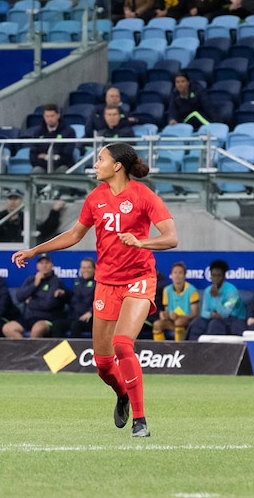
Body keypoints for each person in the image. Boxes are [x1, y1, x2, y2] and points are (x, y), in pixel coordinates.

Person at [12, 142, 178, 438]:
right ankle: (123, 394)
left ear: (117, 166)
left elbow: (171, 238)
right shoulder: (95, 198)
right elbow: (75, 235)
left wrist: (142, 243)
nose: (95, 164)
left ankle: (140, 421)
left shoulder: (144, 195)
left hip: (140, 278)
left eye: (100, 159)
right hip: (107, 283)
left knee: (123, 345)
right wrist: (34, 251)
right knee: (102, 364)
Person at [2, 253, 68, 339]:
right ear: (37, 266)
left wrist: (31, 301)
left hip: (47, 318)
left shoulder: (56, 281)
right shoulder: (32, 279)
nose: (44, 266)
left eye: (47, 263)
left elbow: (48, 304)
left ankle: (31, 351)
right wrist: (35, 284)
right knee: (8, 328)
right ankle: (25, 351)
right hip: (29, 317)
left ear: (51, 265)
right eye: (41, 263)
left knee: (37, 329)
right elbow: (19, 297)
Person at [185, 259, 247, 340]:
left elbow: (225, 314)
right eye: (213, 276)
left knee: (215, 324)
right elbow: (203, 312)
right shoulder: (208, 290)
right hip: (213, 318)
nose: (216, 279)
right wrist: (211, 315)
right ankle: (192, 349)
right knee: (197, 323)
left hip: (234, 320)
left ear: (224, 276)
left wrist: (216, 297)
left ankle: (211, 350)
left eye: (219, 276)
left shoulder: (233, 292)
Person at [152, 261, 198, 341]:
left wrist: (180, 316)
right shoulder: (166, 290)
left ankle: (179, 348)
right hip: (172, 321)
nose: (177, 275)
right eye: (175, 273)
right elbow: (167, 310)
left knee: (179, 322)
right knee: (157, 324)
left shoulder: (192, 290)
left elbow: (195, 314)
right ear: (171, 275)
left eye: (180, 273)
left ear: (184, 275)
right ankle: (160, 349)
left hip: (187, 322)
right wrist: (164, 315)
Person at [27, 103, 77, 173]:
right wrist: (54, 157)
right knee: (36, 171)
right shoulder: (37, 133)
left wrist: (45, 157)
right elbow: (33, 157)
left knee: (63, 171)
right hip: (43, 167)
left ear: (58, 116)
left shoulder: (69, 132)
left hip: (61, 166)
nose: (49, 119)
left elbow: (67, 156)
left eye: (52, 116)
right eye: (47, 116)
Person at [54, 257, 96, 338]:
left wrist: (91, 312)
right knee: (57, 325)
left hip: (89, 319)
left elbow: (100, 301)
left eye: (88, 267)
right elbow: (71, 296)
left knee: (75, 325)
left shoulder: (98, 283)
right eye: (83, 268)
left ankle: (76, 350)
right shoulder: (77, 281)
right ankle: (60, 350)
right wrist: (63, 293)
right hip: (74, 317)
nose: (86, 270)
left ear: (94, 269)